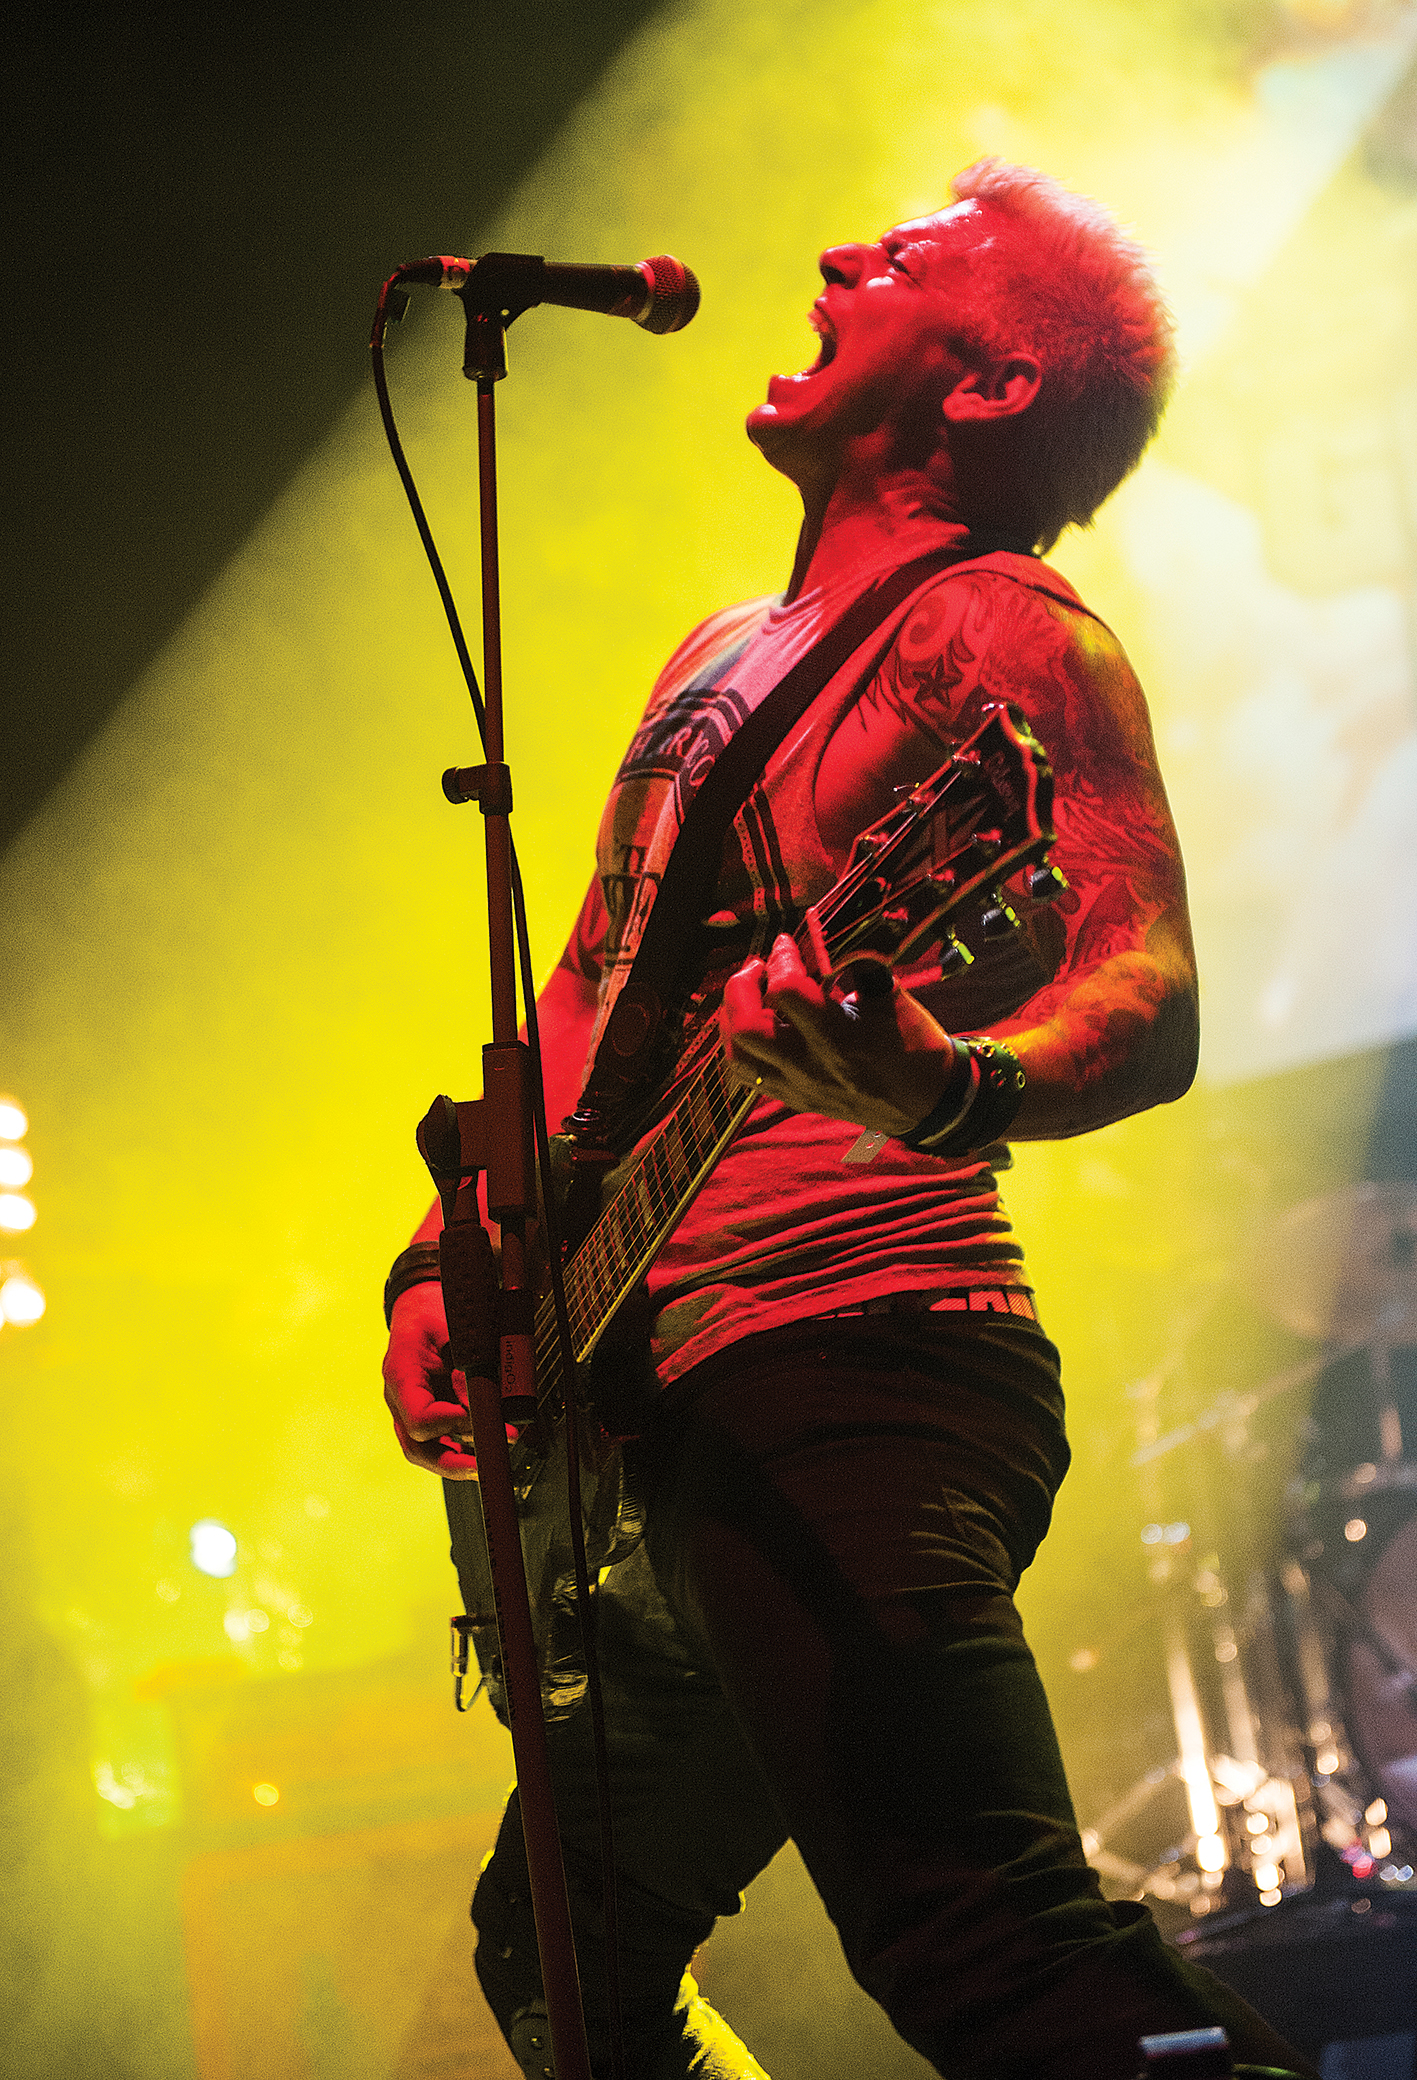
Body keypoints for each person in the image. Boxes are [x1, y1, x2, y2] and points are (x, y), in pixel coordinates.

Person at [382, 162, 1314, 2079]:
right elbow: (587, 1004)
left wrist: (946, 1081)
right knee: (559, 1957)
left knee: (981, 1942)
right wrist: (446, 1265)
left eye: (896, 262)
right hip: (676, 1382)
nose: (826, 257)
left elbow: (1141, 991)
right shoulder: (716, 662)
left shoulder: (1007, 632)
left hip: (854, 1342)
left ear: (984, 389)